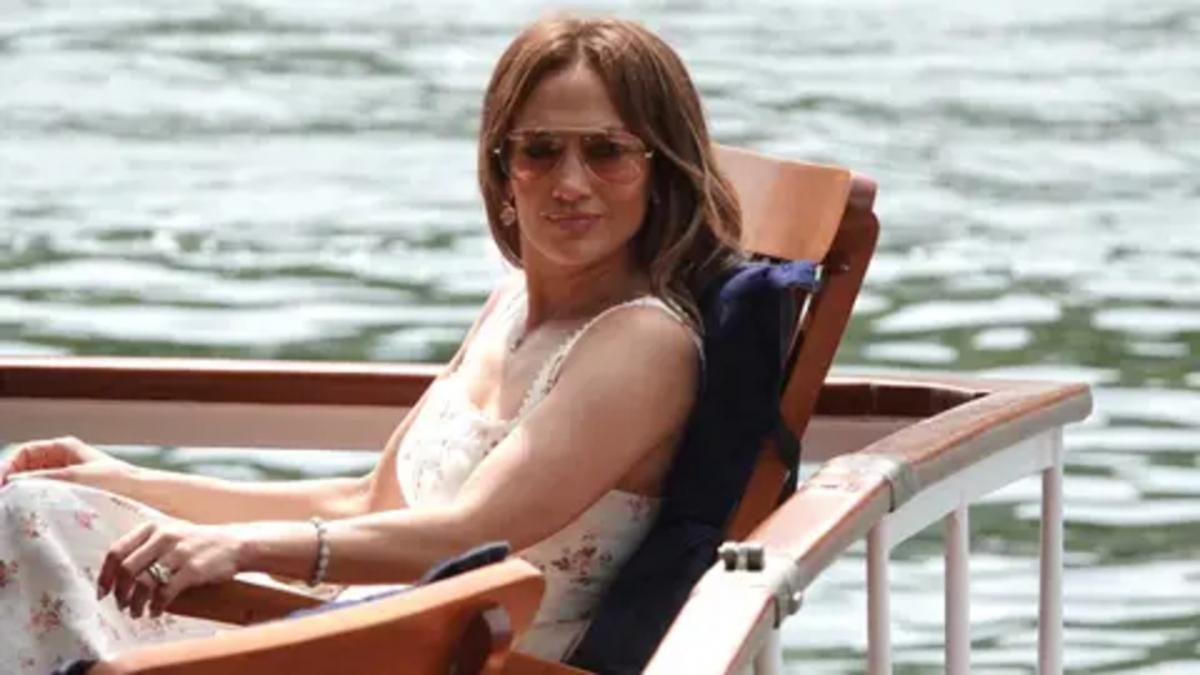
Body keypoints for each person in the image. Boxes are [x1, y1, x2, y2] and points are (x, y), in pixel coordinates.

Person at [0, 14, 744, 671]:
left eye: (608, 151)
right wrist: (128, 481)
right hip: (364, 627)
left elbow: (468, 536)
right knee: (41, 505)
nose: (570, 182)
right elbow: (366, 500)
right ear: (501, 169)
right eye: (540, 150)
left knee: (37, 539)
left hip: (443, 658)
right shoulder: (514, 305)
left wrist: (242, 547)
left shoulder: (640, 343)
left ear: (660, 171)